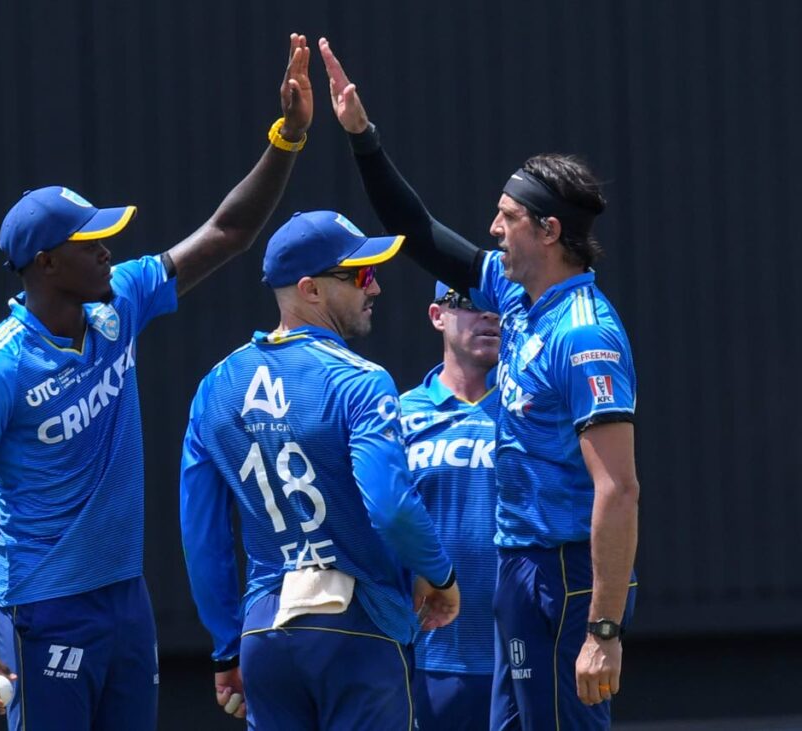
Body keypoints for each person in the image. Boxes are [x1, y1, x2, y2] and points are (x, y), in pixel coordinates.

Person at [0, 34, 313, 731]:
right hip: (41, 604)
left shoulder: (118, 302)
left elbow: (228, 232)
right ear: (45, 264)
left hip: (124, 598)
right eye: (90, 241)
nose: (108, 250)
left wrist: (287, 137)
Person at [320, 38, 640, 730]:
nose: (493, 230)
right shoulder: (518, 294)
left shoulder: (584, 334)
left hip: (562, 574)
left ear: (549, 230)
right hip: (516, 565)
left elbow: (619, 486)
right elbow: (416, 232)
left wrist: (603, 628)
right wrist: (360, 136)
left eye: (508, 217)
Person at [179, 210, 460, 730]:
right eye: (358, 275)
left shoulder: (215, 386)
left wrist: (226, 647)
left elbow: (203, 538)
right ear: (309, 290)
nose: (373, 286)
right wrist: (439, 574)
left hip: (264, 634)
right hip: (359, 627)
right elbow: (391, 506)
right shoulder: (360, 380)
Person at [399, 283, 501, 731]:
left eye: (498, 306)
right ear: (437, 315)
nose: (489, 316)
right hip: (426, 656)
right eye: (471, 305)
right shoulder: (398, 415)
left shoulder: (533, 409)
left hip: (520, 652)